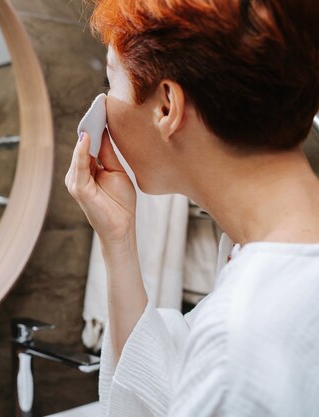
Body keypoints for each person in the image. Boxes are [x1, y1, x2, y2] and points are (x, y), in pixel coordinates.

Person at [66, 0, 319, 416]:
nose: (103, 111)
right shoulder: (267, 272)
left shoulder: (242, 335)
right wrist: (119, 241)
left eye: (111, 82)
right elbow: (166, 385)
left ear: (167, 106)